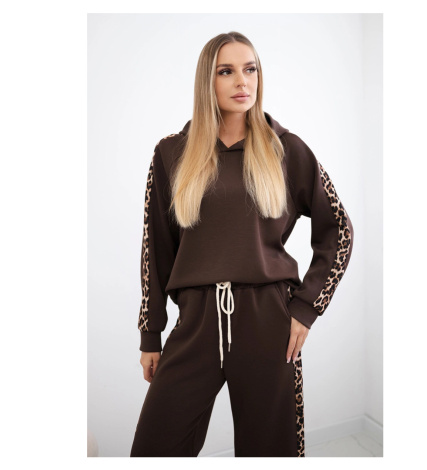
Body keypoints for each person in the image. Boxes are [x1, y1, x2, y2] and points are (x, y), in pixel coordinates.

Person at [130, 31, 354, 458]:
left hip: (268, 322)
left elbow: (339, 229)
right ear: (207, 81)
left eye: (250, 69)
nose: (242, 81)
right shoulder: (171, 154)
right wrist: (150, 334)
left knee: (271, 451)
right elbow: (154, 251)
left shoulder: (286, 149)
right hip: (195, 323)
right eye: (226, 71)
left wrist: (306, 308)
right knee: (154, 449)